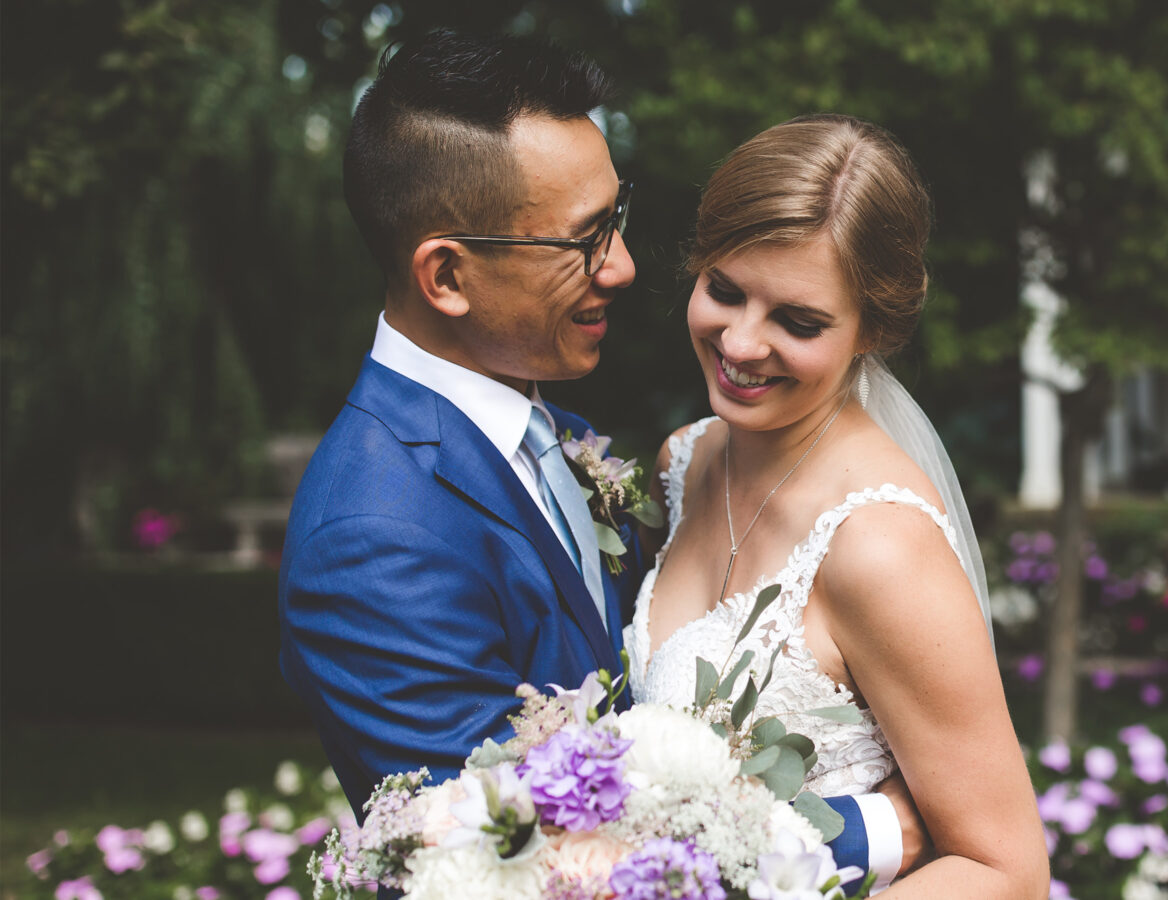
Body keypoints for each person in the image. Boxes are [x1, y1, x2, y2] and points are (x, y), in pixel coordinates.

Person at [275, 30, 919, 885]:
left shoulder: (566, 440)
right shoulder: (372, 536)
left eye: (616, 218)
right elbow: (521, 863)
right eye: (583, 240)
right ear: (447, 277)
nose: (621, 267)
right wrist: (873, 828)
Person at [629, 114, 1050, 897]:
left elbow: (1007, 870)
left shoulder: (877, 545)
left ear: (871, 329)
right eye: (724, 290)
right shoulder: (686, 462)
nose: (743, 343)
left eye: (799, 321)